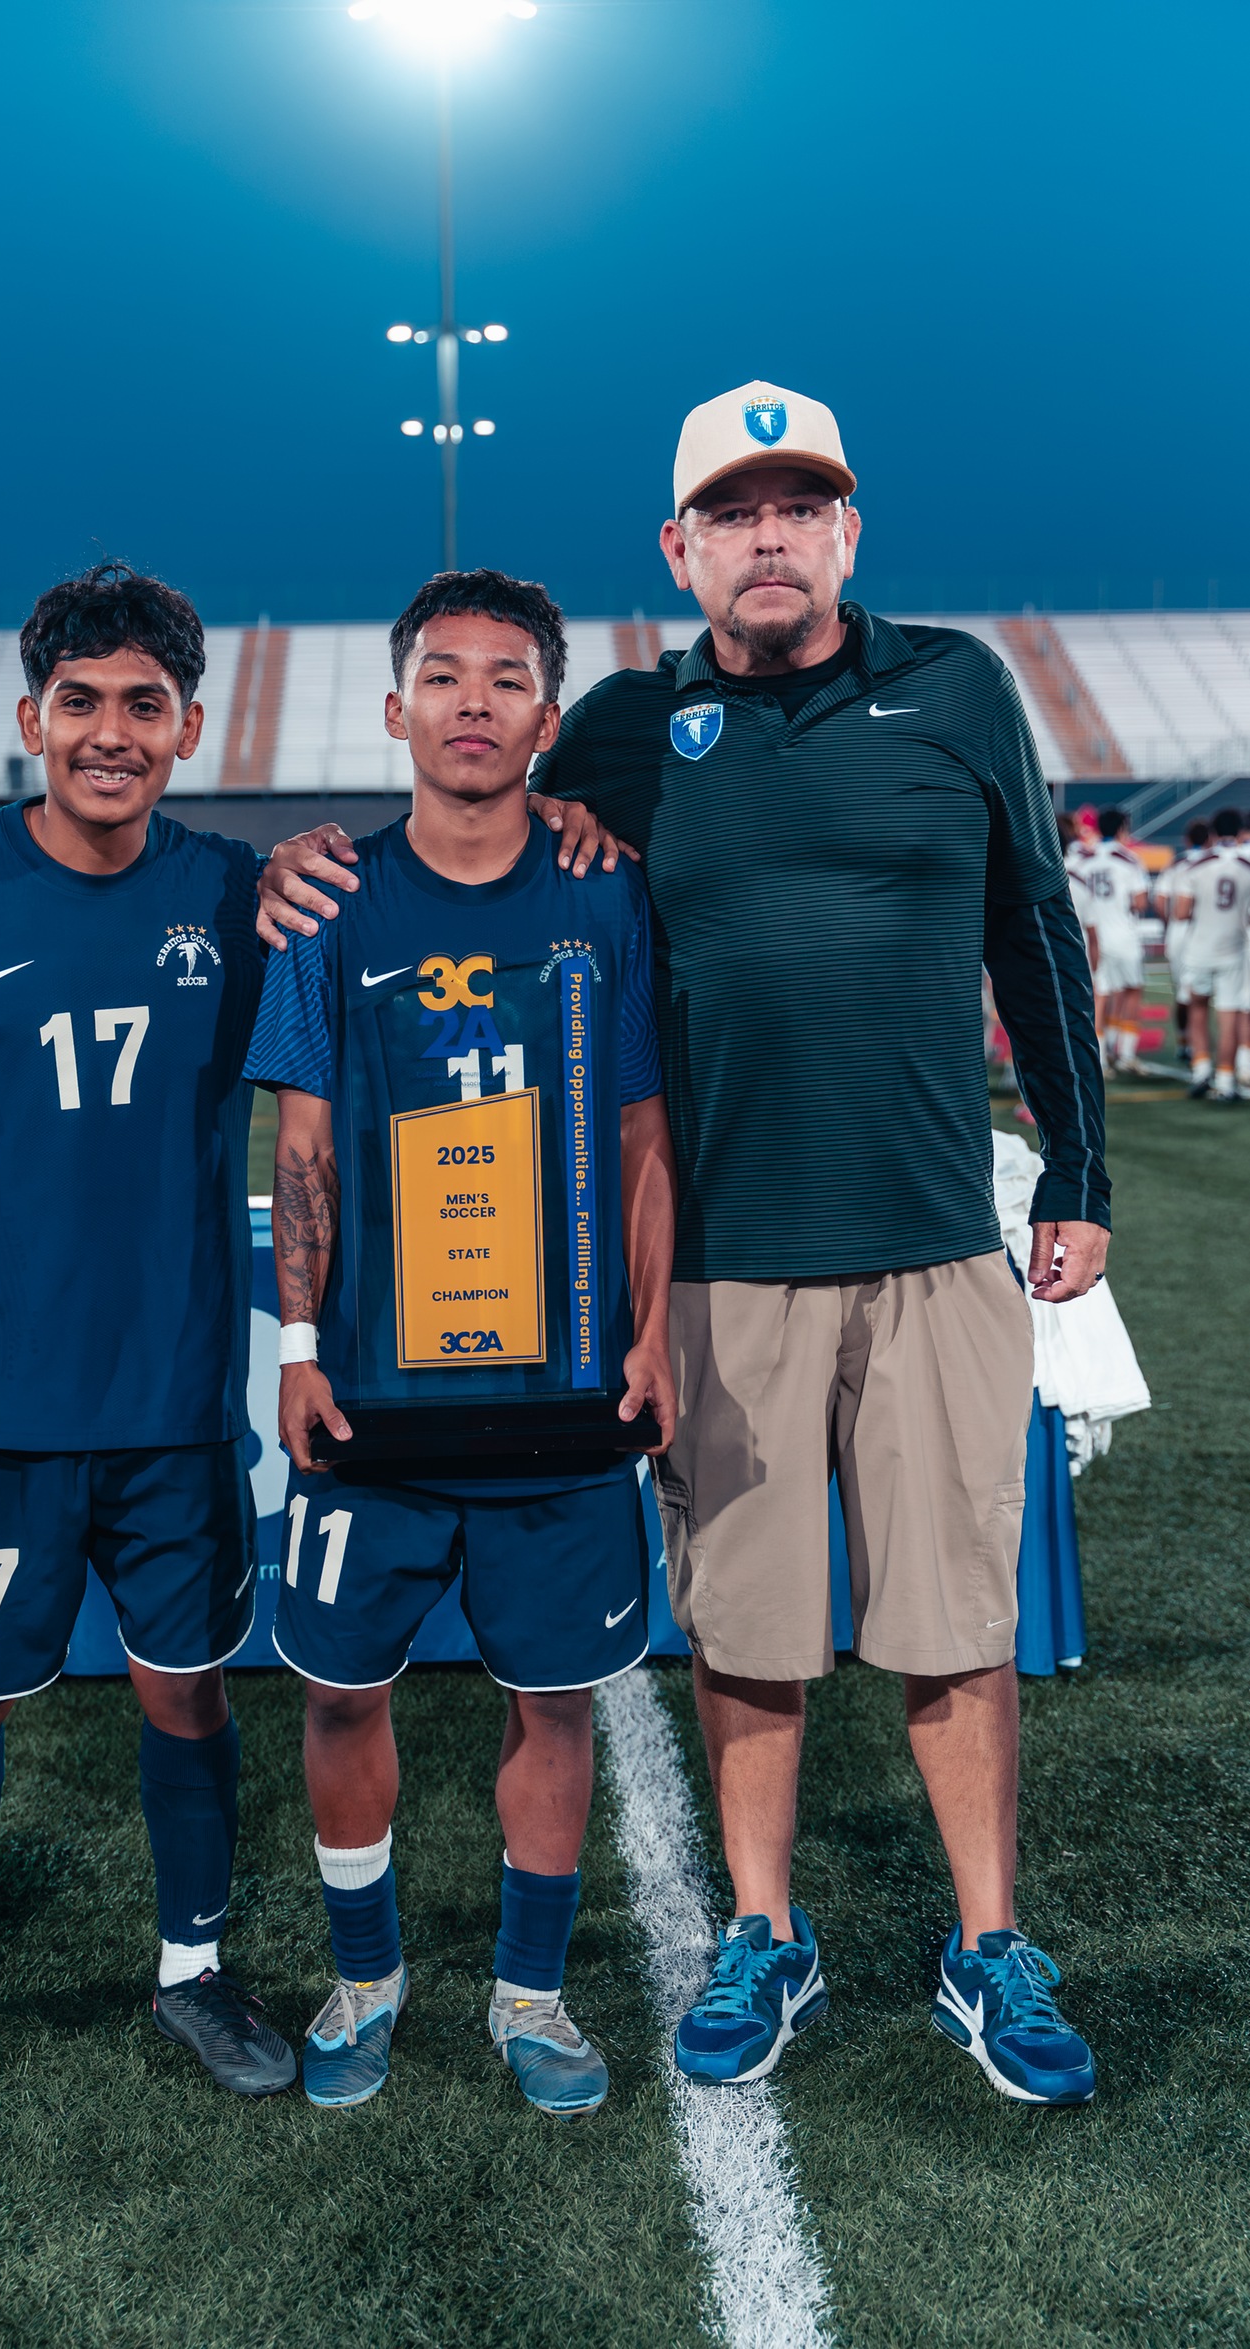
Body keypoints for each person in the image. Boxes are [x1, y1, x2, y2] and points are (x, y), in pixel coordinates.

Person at [259, 382, 1109, 2110]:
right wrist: (278, 867)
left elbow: (1030, 924)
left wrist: (1078, 1166)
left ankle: (988, 1939)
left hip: (933, 1239)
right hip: (722, 1260)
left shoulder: (958, 685)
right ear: (681, 548)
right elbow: (471, 818)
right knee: (749, 1626)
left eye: (798, 507)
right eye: (734, 512)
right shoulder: (629, 728)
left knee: (955, 1622)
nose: (767, 536)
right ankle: (761, 1926)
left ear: (846, 531)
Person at [0, 563, 296, 2109]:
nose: (111, 732)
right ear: (32, 718)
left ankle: (193, 1969)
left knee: (187, 1688)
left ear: (188, 729)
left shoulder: (231, 893)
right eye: (80, 701)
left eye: (143, 705)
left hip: (171, 1396)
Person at [243, 569, 677, 2117]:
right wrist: (298, 1342)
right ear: (395, 708)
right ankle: (366, 1979)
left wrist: (652, 1332)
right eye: (443, 675)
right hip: (375, 1390)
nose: (473, 702)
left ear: (546, 719)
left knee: (552, 1699)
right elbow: (303, 1143)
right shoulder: (327, 902)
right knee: (338, 1692)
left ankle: (530, 1992)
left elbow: (641, 1132)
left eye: (506, 680)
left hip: (563, 1391)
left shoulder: (606, 894)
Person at [1172, 807, 1250, 1102]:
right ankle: (1226, 1081)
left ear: (1212, 833)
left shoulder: (1195, 865)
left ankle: (1201, 1070)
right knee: (1229, 1015)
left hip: (1199, 950)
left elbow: (1181, 913)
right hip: (1233, 950)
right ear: (1240, 832)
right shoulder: (1246, 865)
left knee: (1198, 1009)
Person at [1078, 808, 1150, 1072]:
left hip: (1091, 936)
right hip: (1122, 935)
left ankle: (1099, 1056)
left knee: (1099, 994)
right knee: (1132, 989)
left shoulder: (1082, 858)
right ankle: (1125, 1053)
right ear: (1122, 829)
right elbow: (1140, 902)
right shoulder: (1129, 859)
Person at [1159, 819, 1213, 1066]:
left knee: (1183, 991)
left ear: (1187, 840)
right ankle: (1202, 1046)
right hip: (1207, 930)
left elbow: (1161, 900)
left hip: (1179, 932)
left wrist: (1170, 926)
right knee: (1209, 994)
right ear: (1210, 839)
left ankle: (1184, 1041)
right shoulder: (1214, 862)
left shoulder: (1176, 864)